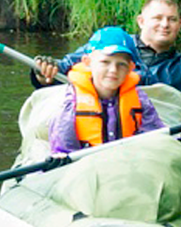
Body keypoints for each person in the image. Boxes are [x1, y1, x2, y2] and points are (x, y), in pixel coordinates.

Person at [34, 0, 181, 165]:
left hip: (162, 132)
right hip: (106, 132)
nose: (165, 25)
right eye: (158, 18)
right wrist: (44, 72)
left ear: (179, 24)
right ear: (141, 21)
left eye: (171, 19)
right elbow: (60, 70)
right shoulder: (109, 46)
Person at [48, 26, 165, 155]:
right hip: (86, 165)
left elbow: (155, 136)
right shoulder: (70, 101)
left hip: (127, 161)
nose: (113, 70)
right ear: (87, 62)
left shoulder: (140, 99)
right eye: (105, 62)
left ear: (131, 68)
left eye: (121, 64)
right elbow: (63, 148)